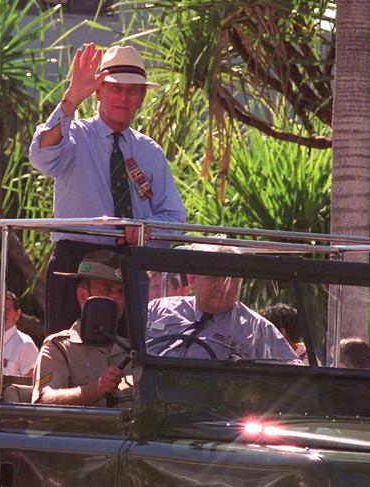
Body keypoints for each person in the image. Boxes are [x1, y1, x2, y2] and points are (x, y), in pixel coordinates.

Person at [29, 43, 186, 335]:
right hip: (75, 259)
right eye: (115, 88)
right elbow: (41, 157)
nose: (124, 97)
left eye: (132, 90)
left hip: (131, 261)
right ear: (99, 92)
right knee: (66, 349)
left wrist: (144, 229)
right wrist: (71, 99)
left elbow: (175, 219)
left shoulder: (149, 151)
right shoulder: (75, 133)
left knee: (130, 353)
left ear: (141, 98)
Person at [147, 244, 300, 363]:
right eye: (213, 277)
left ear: (240, 281)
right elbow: (127, 351)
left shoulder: (256, 328)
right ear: (192, 279)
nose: (222, 286)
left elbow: (293, 378)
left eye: (230, 278)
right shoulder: (159, 310)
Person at [32, 250, 132, 407]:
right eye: (107, 290)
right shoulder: (58, 347)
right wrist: (96, 389)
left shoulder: (132, 350)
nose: (117, 298)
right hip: (80, 431)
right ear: (83, 296)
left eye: (121, 291)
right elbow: (44, 399)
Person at [0, 291, 38, 377]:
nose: (0, 314)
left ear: (17, 314)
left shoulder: (25, 345)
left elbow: (31, 385)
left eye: (6, 309)